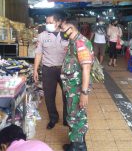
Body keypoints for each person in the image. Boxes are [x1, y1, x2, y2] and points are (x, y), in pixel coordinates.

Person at [60, 18, 93, 151]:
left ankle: (77, 147)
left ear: (71, 28)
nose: (61, 31)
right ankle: (77, 144)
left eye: (63, 28)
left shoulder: (80, 43)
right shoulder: (73, 42)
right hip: (72, 87)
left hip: (77, 88)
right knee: (74, 115)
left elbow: (86, 69)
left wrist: (84, 93)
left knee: (76, 116)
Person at [33, 13, 68, 129]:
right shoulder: (42, 36)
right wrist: (35, 70)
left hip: (65, 70)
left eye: (50, 22)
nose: (47, 25)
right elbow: (38, 53)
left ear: (58, 22)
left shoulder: (67, 34)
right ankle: (53, 118)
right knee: (49, 96)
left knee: (67, 95)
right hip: (48, 69)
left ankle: (67, 119)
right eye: (46, 22)